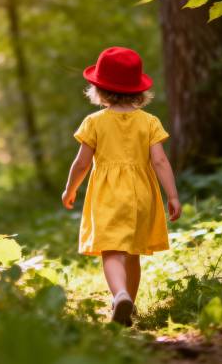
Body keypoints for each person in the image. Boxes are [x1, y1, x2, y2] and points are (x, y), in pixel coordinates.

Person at [62, 46, 182, 326]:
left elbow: (81, 163)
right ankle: (130, 304)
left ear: (99, 90)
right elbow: (160, 161)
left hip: (108, 195)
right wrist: (173, 195)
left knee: (112, 251)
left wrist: (70, 189)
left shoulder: (94, 122)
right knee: (133, 252)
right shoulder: (149, 121)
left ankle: (120, 296)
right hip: (142, 195)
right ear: (138, 89)